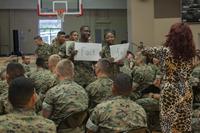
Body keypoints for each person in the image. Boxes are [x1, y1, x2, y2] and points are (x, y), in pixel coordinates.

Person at [142, 22, 196, 133]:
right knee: (184, 125)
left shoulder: (165, 52)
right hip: (186, 90)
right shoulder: (191, 54)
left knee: (168, 126)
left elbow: (145, 50)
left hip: (170, 91)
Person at [42, 59, 88, 132]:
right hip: (78, 130)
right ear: (73, 73)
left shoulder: (53, 92)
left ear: (57, 73)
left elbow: (45, 117)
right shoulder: (83, 90)